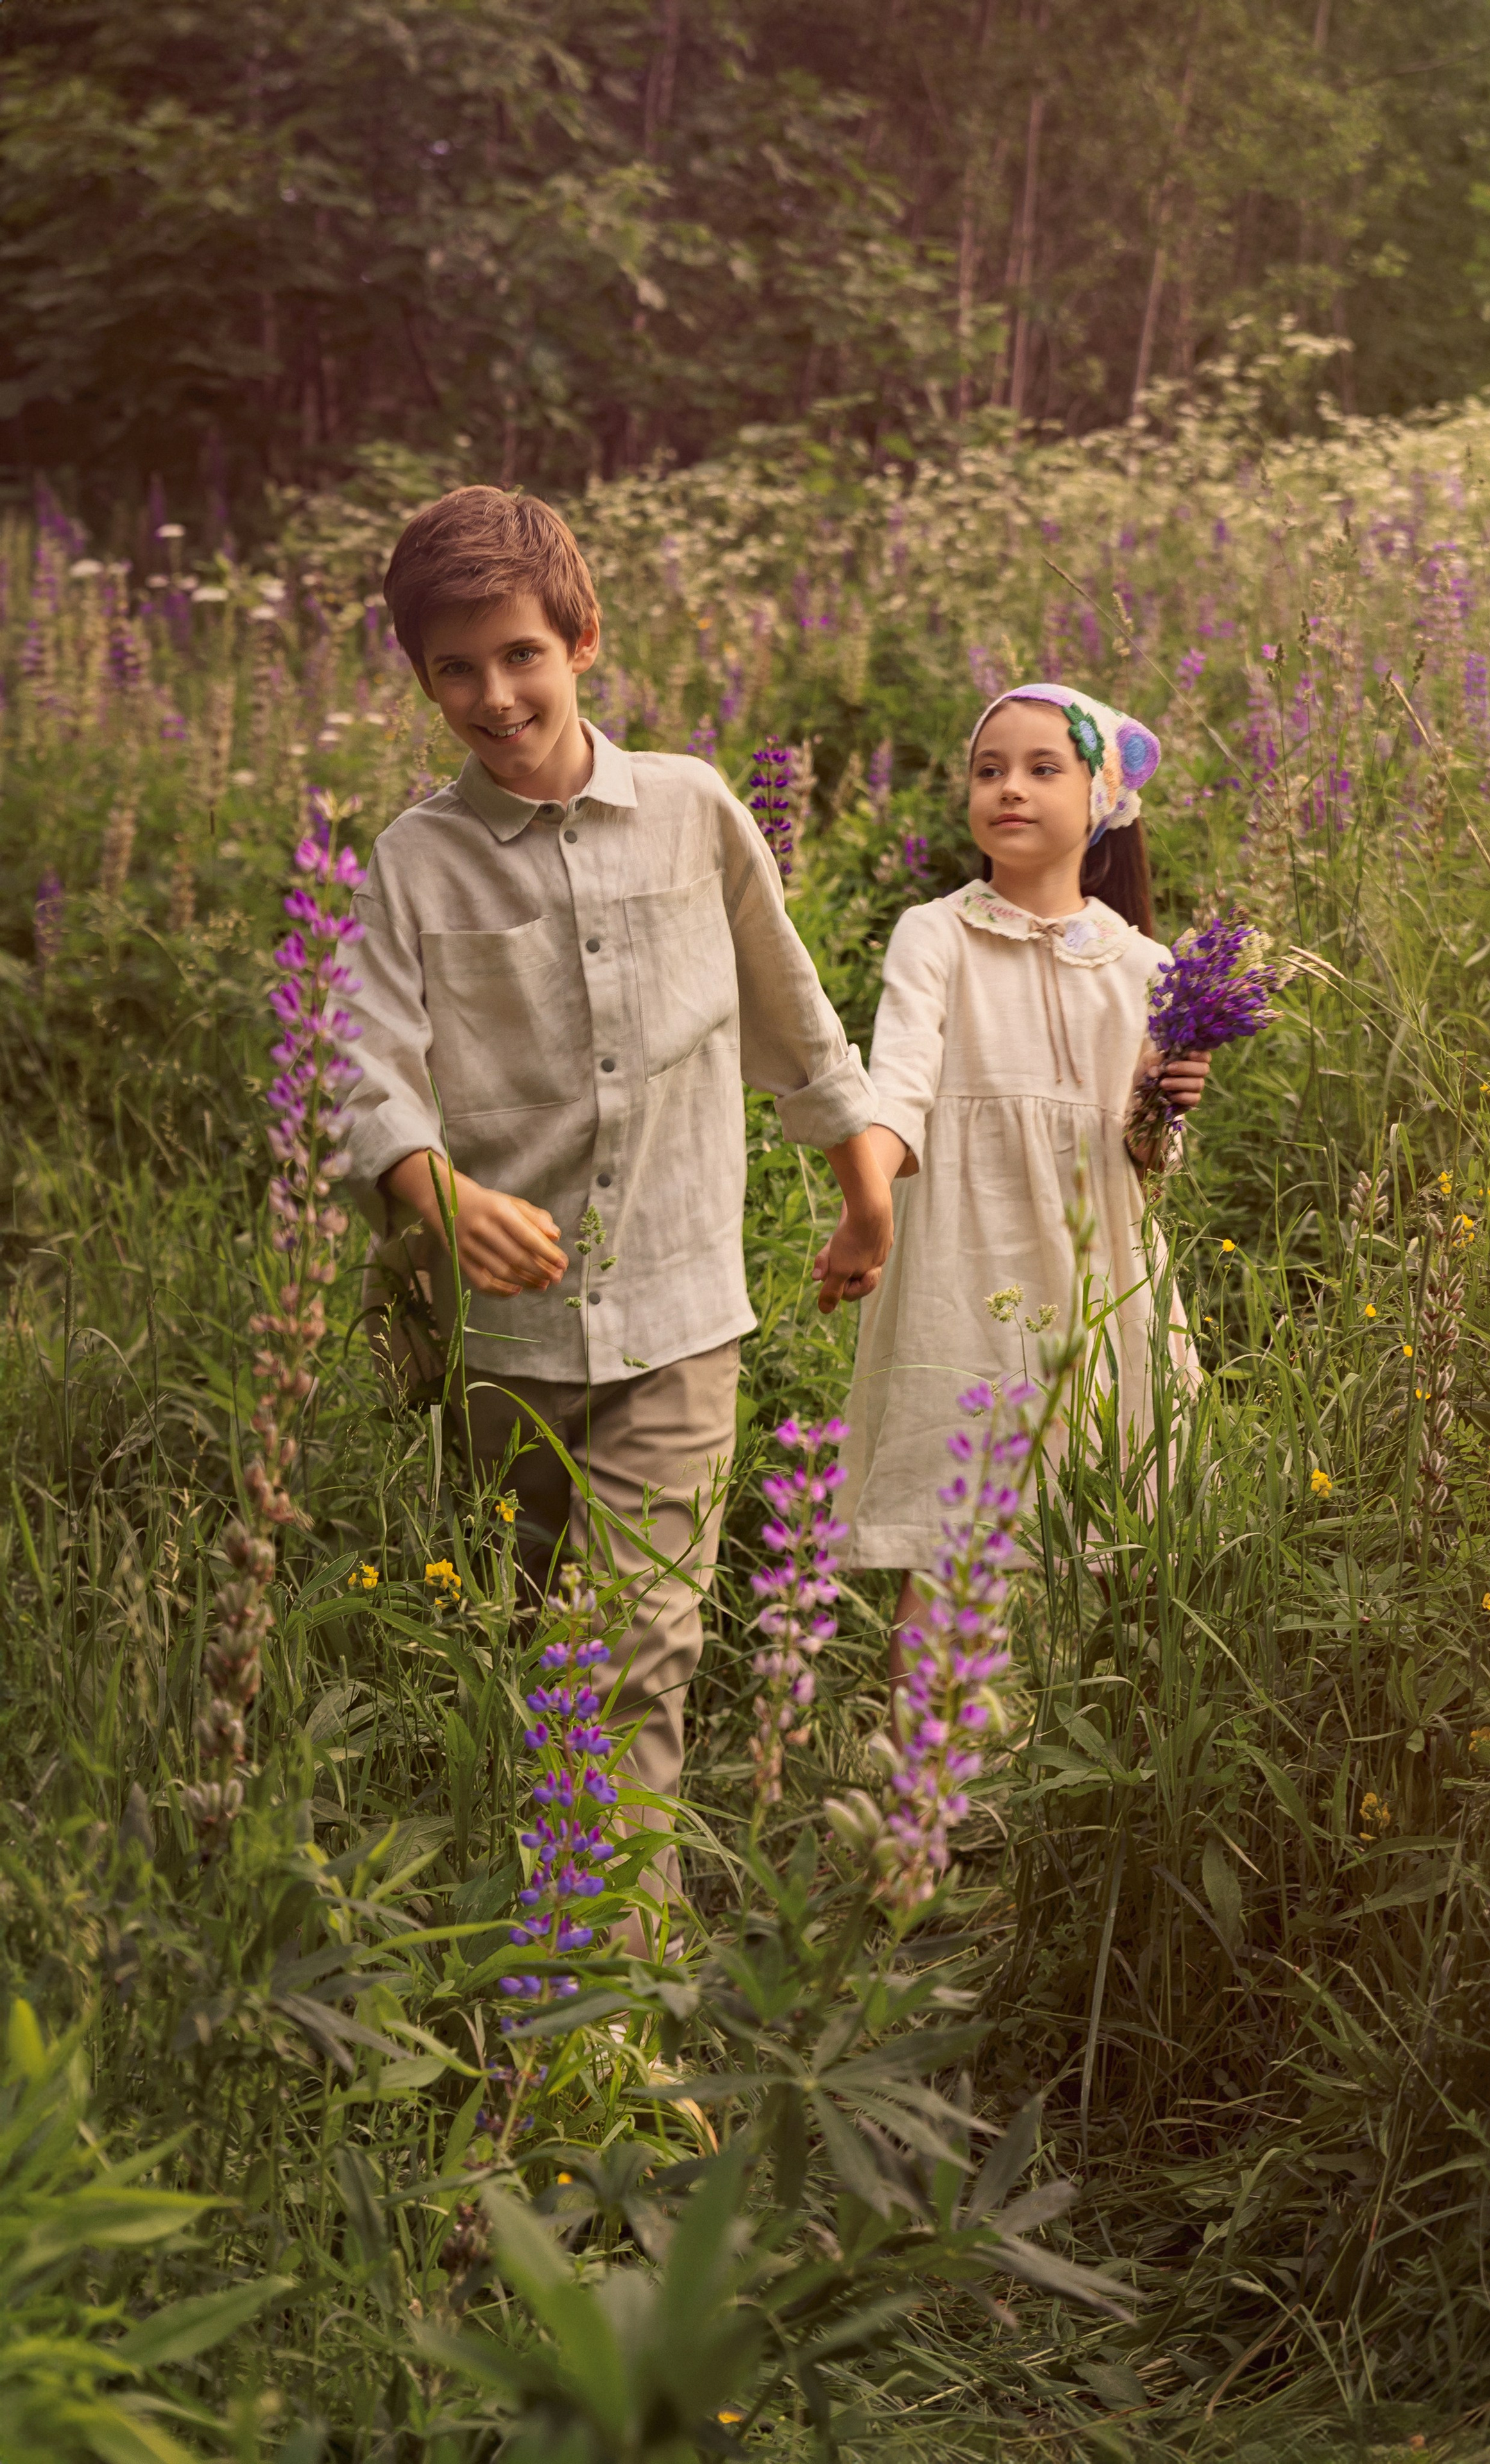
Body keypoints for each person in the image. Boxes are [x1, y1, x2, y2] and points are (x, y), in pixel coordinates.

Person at [344, 484, 893, 1931]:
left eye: (519, 654)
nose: (491, 694)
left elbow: (790, 1018)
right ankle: (529, 1929)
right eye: (454, 670)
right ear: (421, 681)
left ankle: (602, 1995)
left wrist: (861, 1196)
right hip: (497, 1338)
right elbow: (362, 1066)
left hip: (673, 1313)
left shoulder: (694, 811)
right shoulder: (414, 860)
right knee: (526, 1641)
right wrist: (434, 1187)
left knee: (633, 1645)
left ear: (581, 640)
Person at [818, 680, 1208, 1666]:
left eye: (1044, 768)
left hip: (1094, 1275)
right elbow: (899, 1087)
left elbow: (1151, 1166)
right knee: (955, 1534)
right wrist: (867, 1194)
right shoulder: (937, 933)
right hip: (965, 1261)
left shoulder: (1148, 967)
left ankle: (1045, 1779)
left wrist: (1166, 1103)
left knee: (1084, 1529)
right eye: (989, 770)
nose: (1010, 788)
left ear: (1103, 800)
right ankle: (930, 1777)